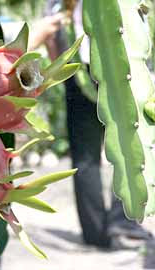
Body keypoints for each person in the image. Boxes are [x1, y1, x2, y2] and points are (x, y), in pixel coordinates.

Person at [43, 0, 153, 248]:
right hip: (121, 65)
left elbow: (51, 21)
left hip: (78, 67)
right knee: (129, 141)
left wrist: (59, 67)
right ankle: (123, 220)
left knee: (85, 156)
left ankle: (95, 233)